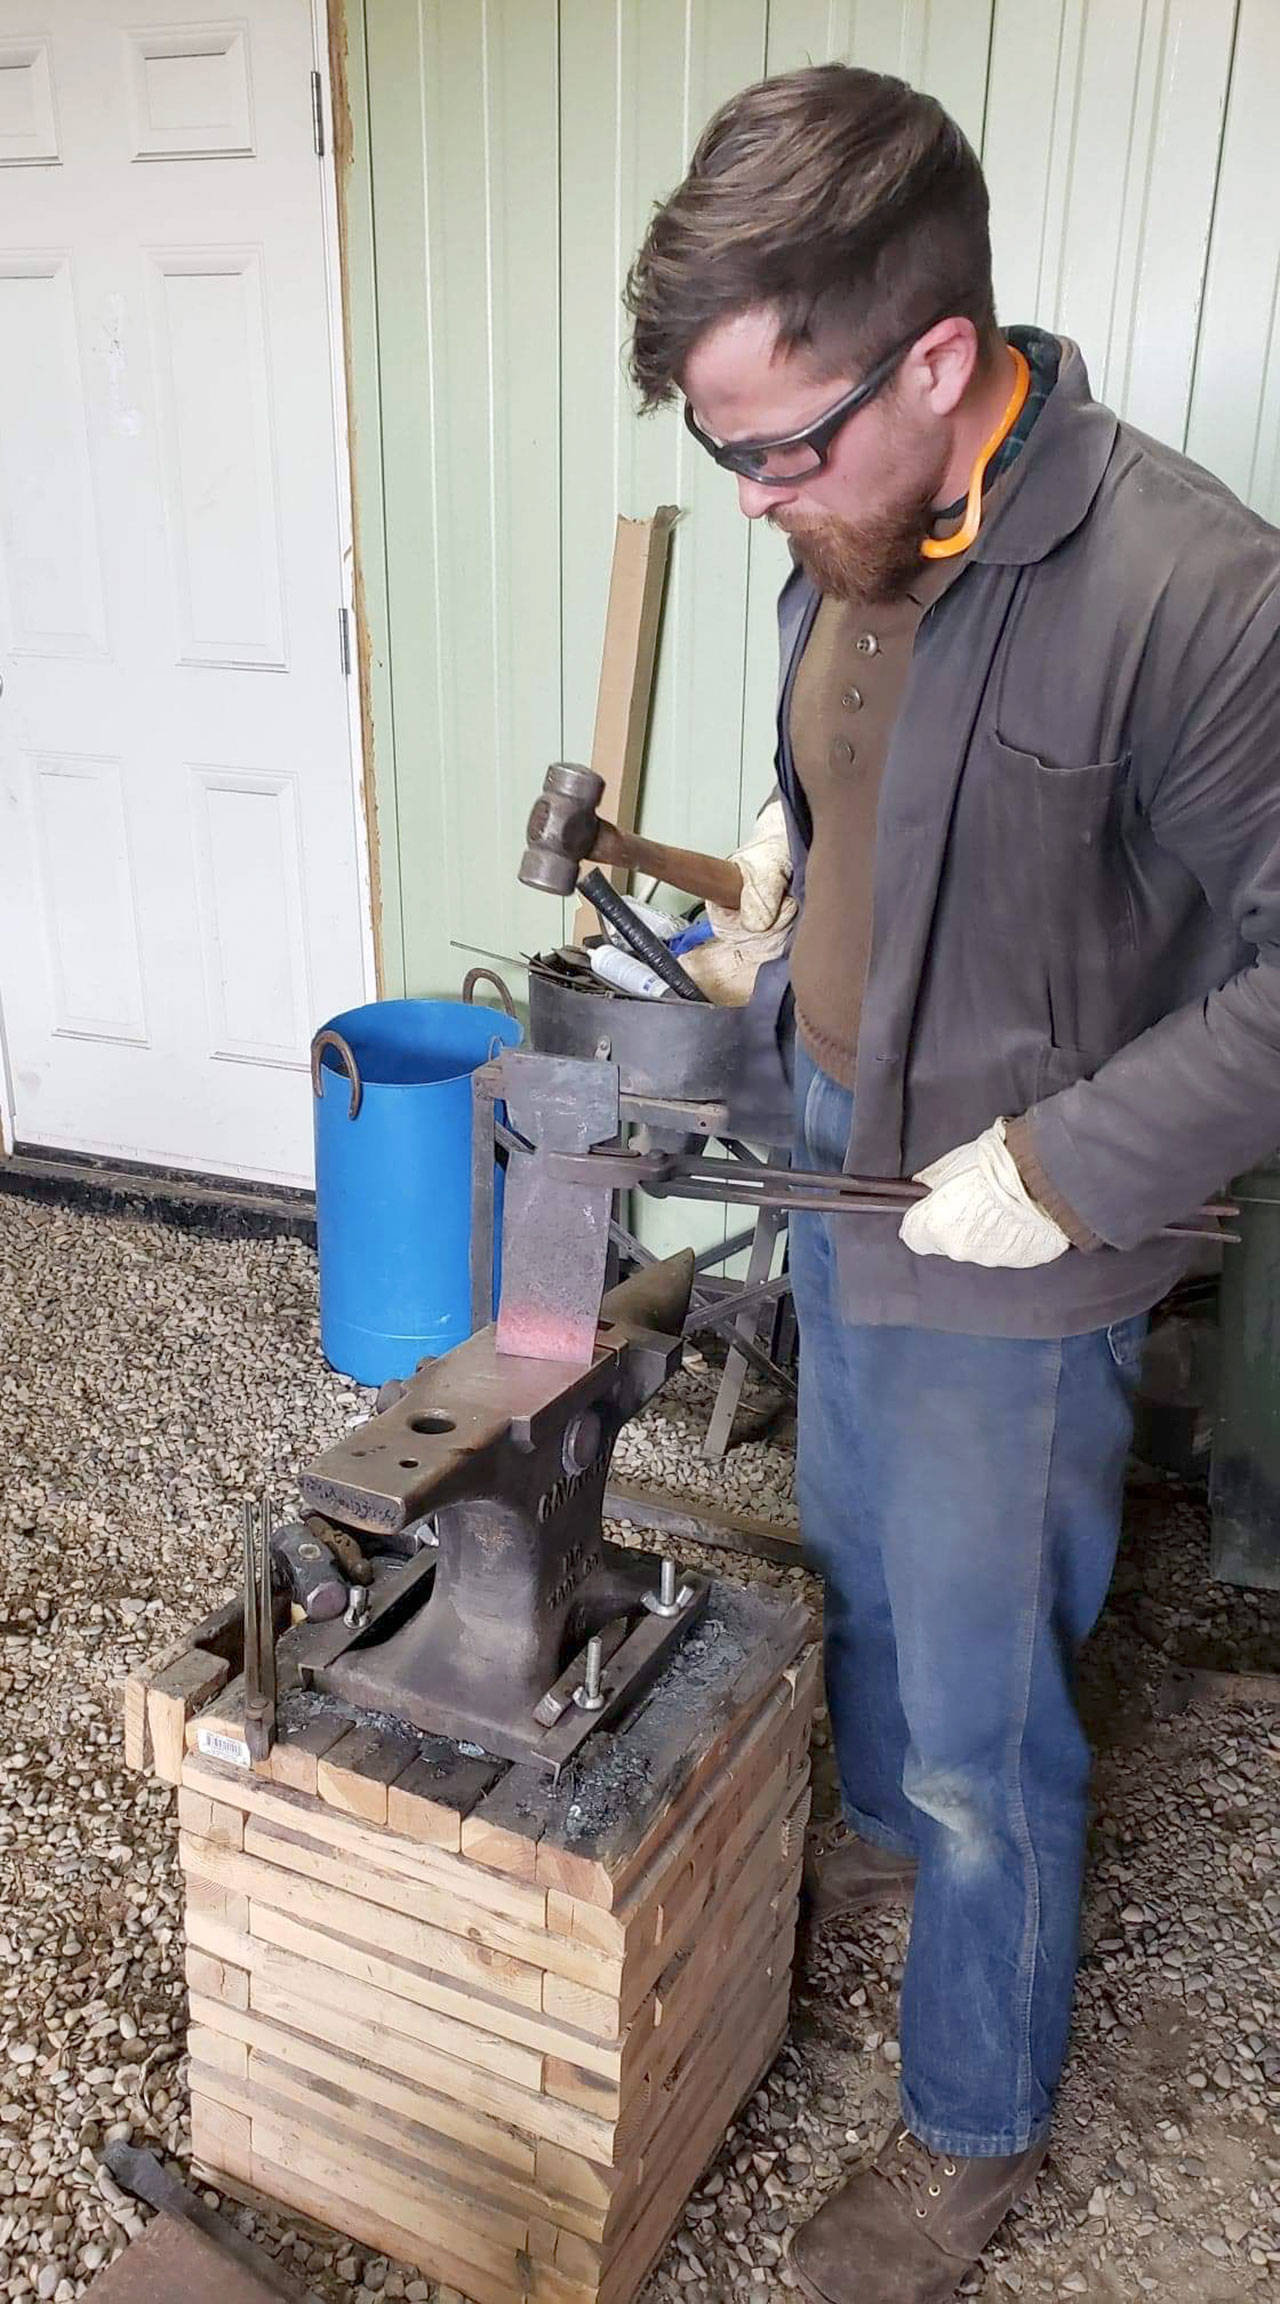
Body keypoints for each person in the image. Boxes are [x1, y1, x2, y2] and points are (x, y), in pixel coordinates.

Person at [624, 63, 1280, 2304]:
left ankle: (970, 2130)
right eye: (716, 451)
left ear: (936, 358)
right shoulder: (847, 530)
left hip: (1021, 1231)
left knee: (998, 1721)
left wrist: (1071, 1161)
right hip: (837, 1166)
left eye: (775, 444)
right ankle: (894, 1861)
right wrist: (787, 875)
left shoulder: (1195, 594)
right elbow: (860, 752)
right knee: (857, 1566)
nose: (749, 498)